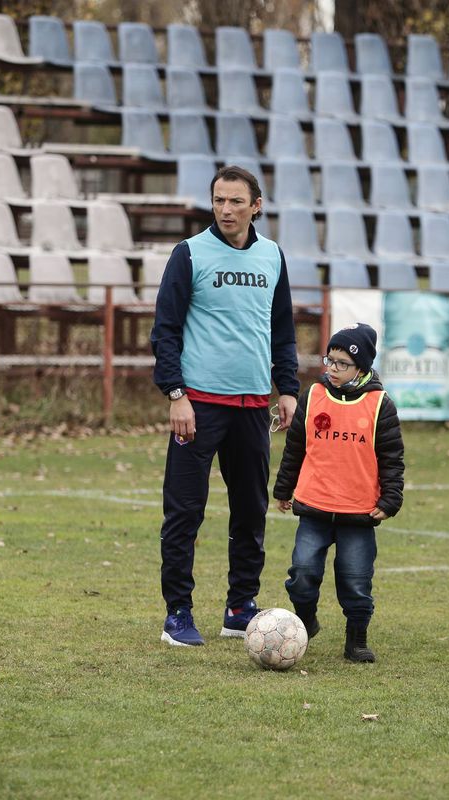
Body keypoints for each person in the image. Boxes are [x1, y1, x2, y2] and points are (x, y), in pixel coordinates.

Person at [150, 165, 300, 647]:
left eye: (236, 201)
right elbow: (165, 330)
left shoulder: (273, 256)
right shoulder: (190, 253)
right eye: (218, 200)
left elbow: (282, 330)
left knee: (251, 512)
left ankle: (240, 607)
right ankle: (178, 613)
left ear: (257, 205)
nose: (226, 209)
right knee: (184, 512)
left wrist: (288, 388)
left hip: (254, 407)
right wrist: (176, 395)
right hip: (198, 407)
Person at [273, 323, 404, 663]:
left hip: (358, 513)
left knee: (356, 582)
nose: (331, 368)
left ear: (361, 367)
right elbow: (295, 449)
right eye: (328, 360)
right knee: (301, 574)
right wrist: (284, 489)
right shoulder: (313, 396)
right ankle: (306, 620)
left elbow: (392, 459)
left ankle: (356, 640)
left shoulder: (380, 405)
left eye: (341, 363)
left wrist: (390, 500)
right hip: (314, 507)